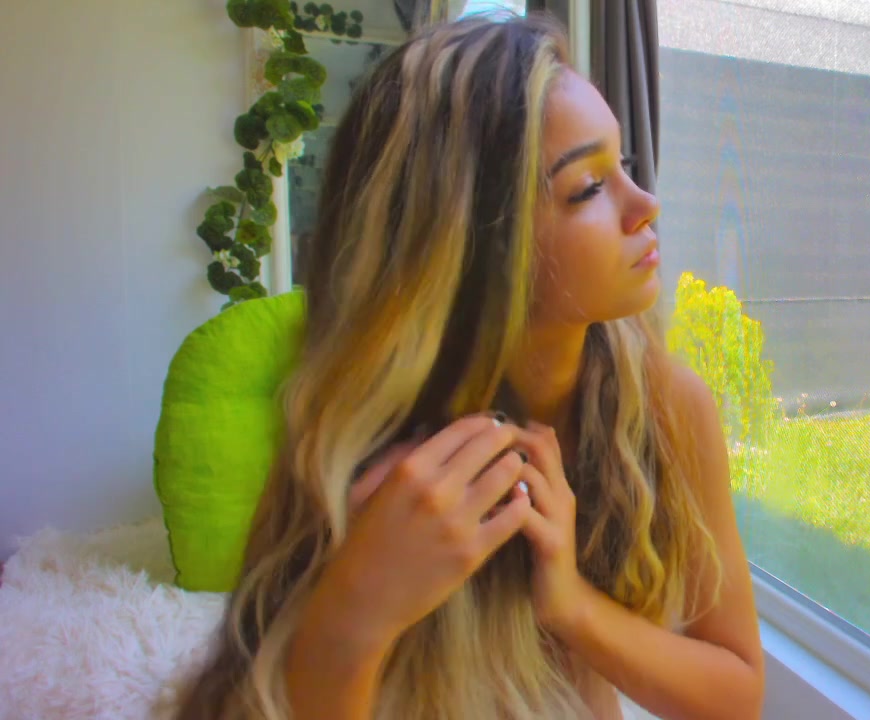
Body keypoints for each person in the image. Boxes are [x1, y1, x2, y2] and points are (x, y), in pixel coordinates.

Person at [173, 12, 764, 720]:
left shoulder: (666, 404)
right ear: (467, 250)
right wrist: (356, 610)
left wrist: (570, 604)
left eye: (625, 166)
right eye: (587, 187)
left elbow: (737, 695)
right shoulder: (350, 453)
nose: (645, 206)